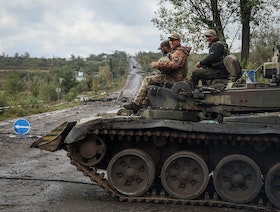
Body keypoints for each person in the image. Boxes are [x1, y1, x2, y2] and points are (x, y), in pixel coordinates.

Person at [123, 34, 191, 113]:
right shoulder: (175, 51)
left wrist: (158, 64)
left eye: (174, 40)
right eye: (170, 41)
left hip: (175, 79)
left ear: (178, 41)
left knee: (148, 80)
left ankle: (136, 104)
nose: (171, 42)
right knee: (152, 80)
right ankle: (144, 104)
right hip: (173, 77)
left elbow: (175, 65)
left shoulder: (179, 52)